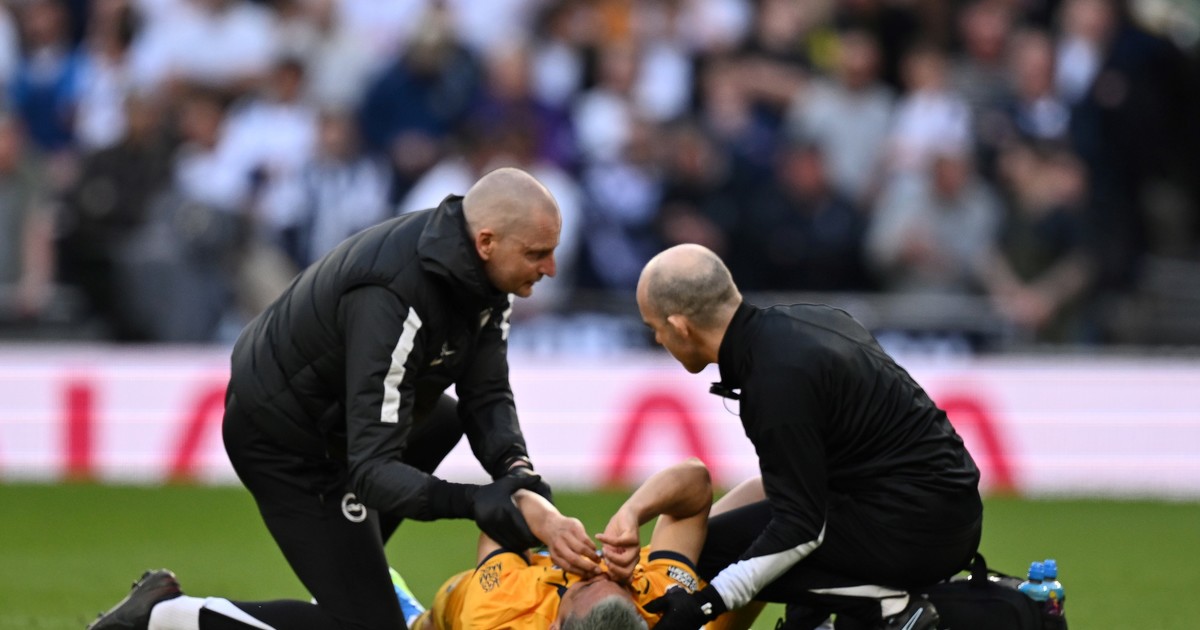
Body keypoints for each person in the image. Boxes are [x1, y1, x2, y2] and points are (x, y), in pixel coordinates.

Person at [87, 167, 597, 630]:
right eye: (537, 253)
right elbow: (372, 471)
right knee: (366, 629)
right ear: (486, 241)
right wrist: (479, 502)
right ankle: (164, 616)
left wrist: (518, 479)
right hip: (286, 440)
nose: (551, 267)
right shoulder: (396, 296)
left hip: (335, 424)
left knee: (442, 422)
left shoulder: (480, 273)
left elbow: (486, 394)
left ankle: (352, 592)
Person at [635, 244, 983, 630]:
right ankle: (816, 619)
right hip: (947, 516)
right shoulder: (810, 321)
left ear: (680, 326)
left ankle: (888, 604)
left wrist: (704, 604)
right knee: (754, 533)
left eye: (655, 328)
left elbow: (800, 527)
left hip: (919, 533)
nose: (658, 340)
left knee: (720, 550)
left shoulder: (774, 381)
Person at [409, 457, 712, 630]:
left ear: (554, 626)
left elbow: (500, 513)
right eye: (621, 585)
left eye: (586, 586)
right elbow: (697, 481)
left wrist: (548, 525)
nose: (600, 570)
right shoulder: (660, 605)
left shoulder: (499, 613)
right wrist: (632, 512)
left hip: (452, 613)